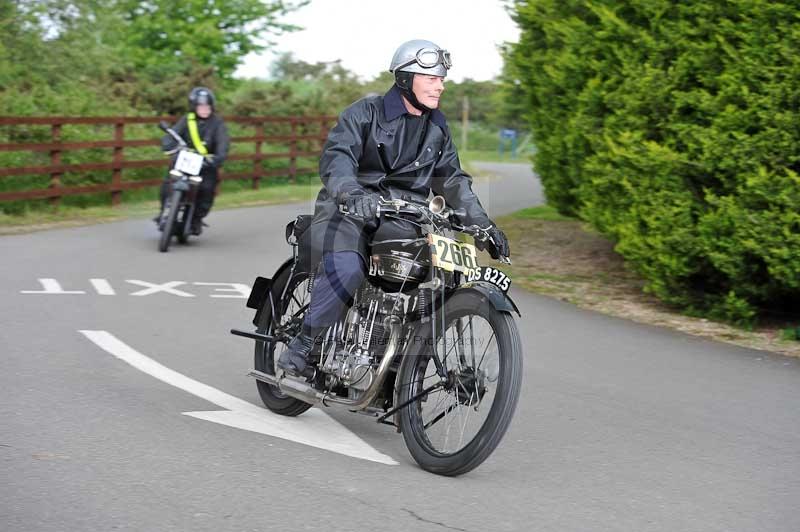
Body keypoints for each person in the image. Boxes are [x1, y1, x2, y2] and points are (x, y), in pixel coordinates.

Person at [277, 39, 510, 377]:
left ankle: (399, 365)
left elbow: (453, 180)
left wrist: (483, 226)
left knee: (434, 279)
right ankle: (305, 344)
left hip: (405, 218)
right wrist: (351, 191)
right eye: (432, 78)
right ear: (405, 79)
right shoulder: (365, 112)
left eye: (442, 79)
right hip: (350, 211)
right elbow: (337, 157)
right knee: (347, 269)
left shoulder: (437, 128)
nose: (440, 85)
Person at [159, 87, 230, 235]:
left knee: (207, 189)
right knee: (168, 182)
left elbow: (223, 143)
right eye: (201, 106)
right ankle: (164, 212)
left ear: (212, 107)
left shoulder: (217, 123)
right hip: (186, 160)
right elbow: (174, 134)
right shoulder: (187, 119)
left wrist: (218, 158)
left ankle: (196, 219)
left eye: (207, 106)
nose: (204, 109)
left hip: (206, 164)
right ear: (194, 107)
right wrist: (168, 143)